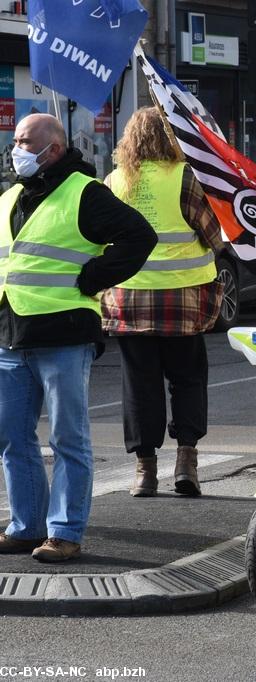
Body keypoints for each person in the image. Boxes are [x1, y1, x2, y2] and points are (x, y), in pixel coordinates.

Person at [0, 113, 156, 562]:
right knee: (12, 436)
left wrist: (94, 277)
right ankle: (26, 525)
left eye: (25, 141)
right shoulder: (11, 196)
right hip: (12, 333)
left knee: (68, 438)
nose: (17, 149)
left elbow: (138, 236)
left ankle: (64, 532)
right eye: (15, 141)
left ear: (52, 148)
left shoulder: (85, 192)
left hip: (64, 334)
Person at [102, 107, 225, 498]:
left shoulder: (114, 182)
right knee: (187, 379)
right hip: (183, 302)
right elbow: (213, 235)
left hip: (129, 301)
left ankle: (145, 470)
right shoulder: (185, 178)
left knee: (140, 385)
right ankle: (186, 459)